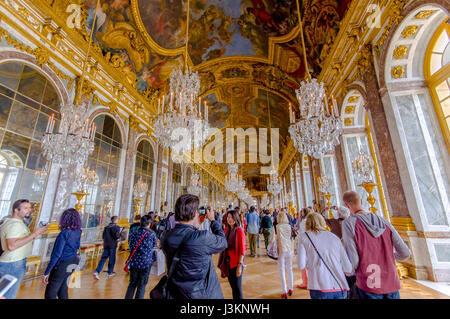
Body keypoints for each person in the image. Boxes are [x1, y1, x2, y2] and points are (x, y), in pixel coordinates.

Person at [341, 191, 411, 299]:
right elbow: (405, 253)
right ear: (360, 201)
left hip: (368, 281)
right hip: (391, 281)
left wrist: (348, 272)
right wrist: (389, 256)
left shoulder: (349, 223)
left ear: (346, 205)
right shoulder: (384, 221)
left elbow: (353, 260)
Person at [161, 194, 227, 299]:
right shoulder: (202, 237)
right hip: (199, 293)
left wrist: (195, 225)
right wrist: (213, 221)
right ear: (196, 213)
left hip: (175, 292)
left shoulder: (165, 236)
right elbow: (223, 242)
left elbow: (186, 237)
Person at [297, 212, 352, 299]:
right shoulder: (334, 237)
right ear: (323, 222)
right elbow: (348, 268)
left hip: (319, 286)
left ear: (307, 223)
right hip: (340, 286)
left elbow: (301, 265)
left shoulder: (304, 237)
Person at [0, 199, 48, 299]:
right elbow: (12, 246)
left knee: (4, 293)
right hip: (13, 264)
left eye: (29, 208)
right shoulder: (14, 225)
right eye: (25, 208)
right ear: (16, 210)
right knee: (8, 295)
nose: (29, 210)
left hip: (12, 262)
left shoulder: (13, 222)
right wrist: (35, 234)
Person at [43, 208, 82, 299]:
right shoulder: (78, 231)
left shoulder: (64, 233)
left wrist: (47, 271)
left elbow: (57, 254)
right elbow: (77, 247)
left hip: (63, 263)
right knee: (63, 289)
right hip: (73, 260)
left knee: (50, 293)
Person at [125, 215, 158, 299]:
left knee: (132, 284)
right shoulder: (151, 234)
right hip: (146, 262)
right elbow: (155, 245)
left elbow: (130, 244)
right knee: (142, 285)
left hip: (134, 261)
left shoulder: (133, 233)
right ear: (149, 224)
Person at [218, 210, 246, 299]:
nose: (230, 219)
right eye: (228, 217)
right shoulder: (226, 229)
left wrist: (239, 265)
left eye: (231, 217)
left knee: (237, 288)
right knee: (233, 288)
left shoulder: (239, 230)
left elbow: (242, 249)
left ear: (236, 218)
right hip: (228, 262)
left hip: (236, 263)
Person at [276, 212, 294, 299]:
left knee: (282, 271)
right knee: (290, 269)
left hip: (281, 249)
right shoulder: (289, 226)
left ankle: (284, 291)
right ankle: (291, 288)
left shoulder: (277, 226)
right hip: (289, 248)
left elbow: (275, 238)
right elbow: (290, 237)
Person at [296, 207, 312, 289]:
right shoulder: (311, 221)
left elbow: (301, 233)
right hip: (311, 243)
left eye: (301, 212)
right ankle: (311, 281)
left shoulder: (304, 222)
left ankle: (305, 282)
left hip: (304, 243)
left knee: (304, 263)